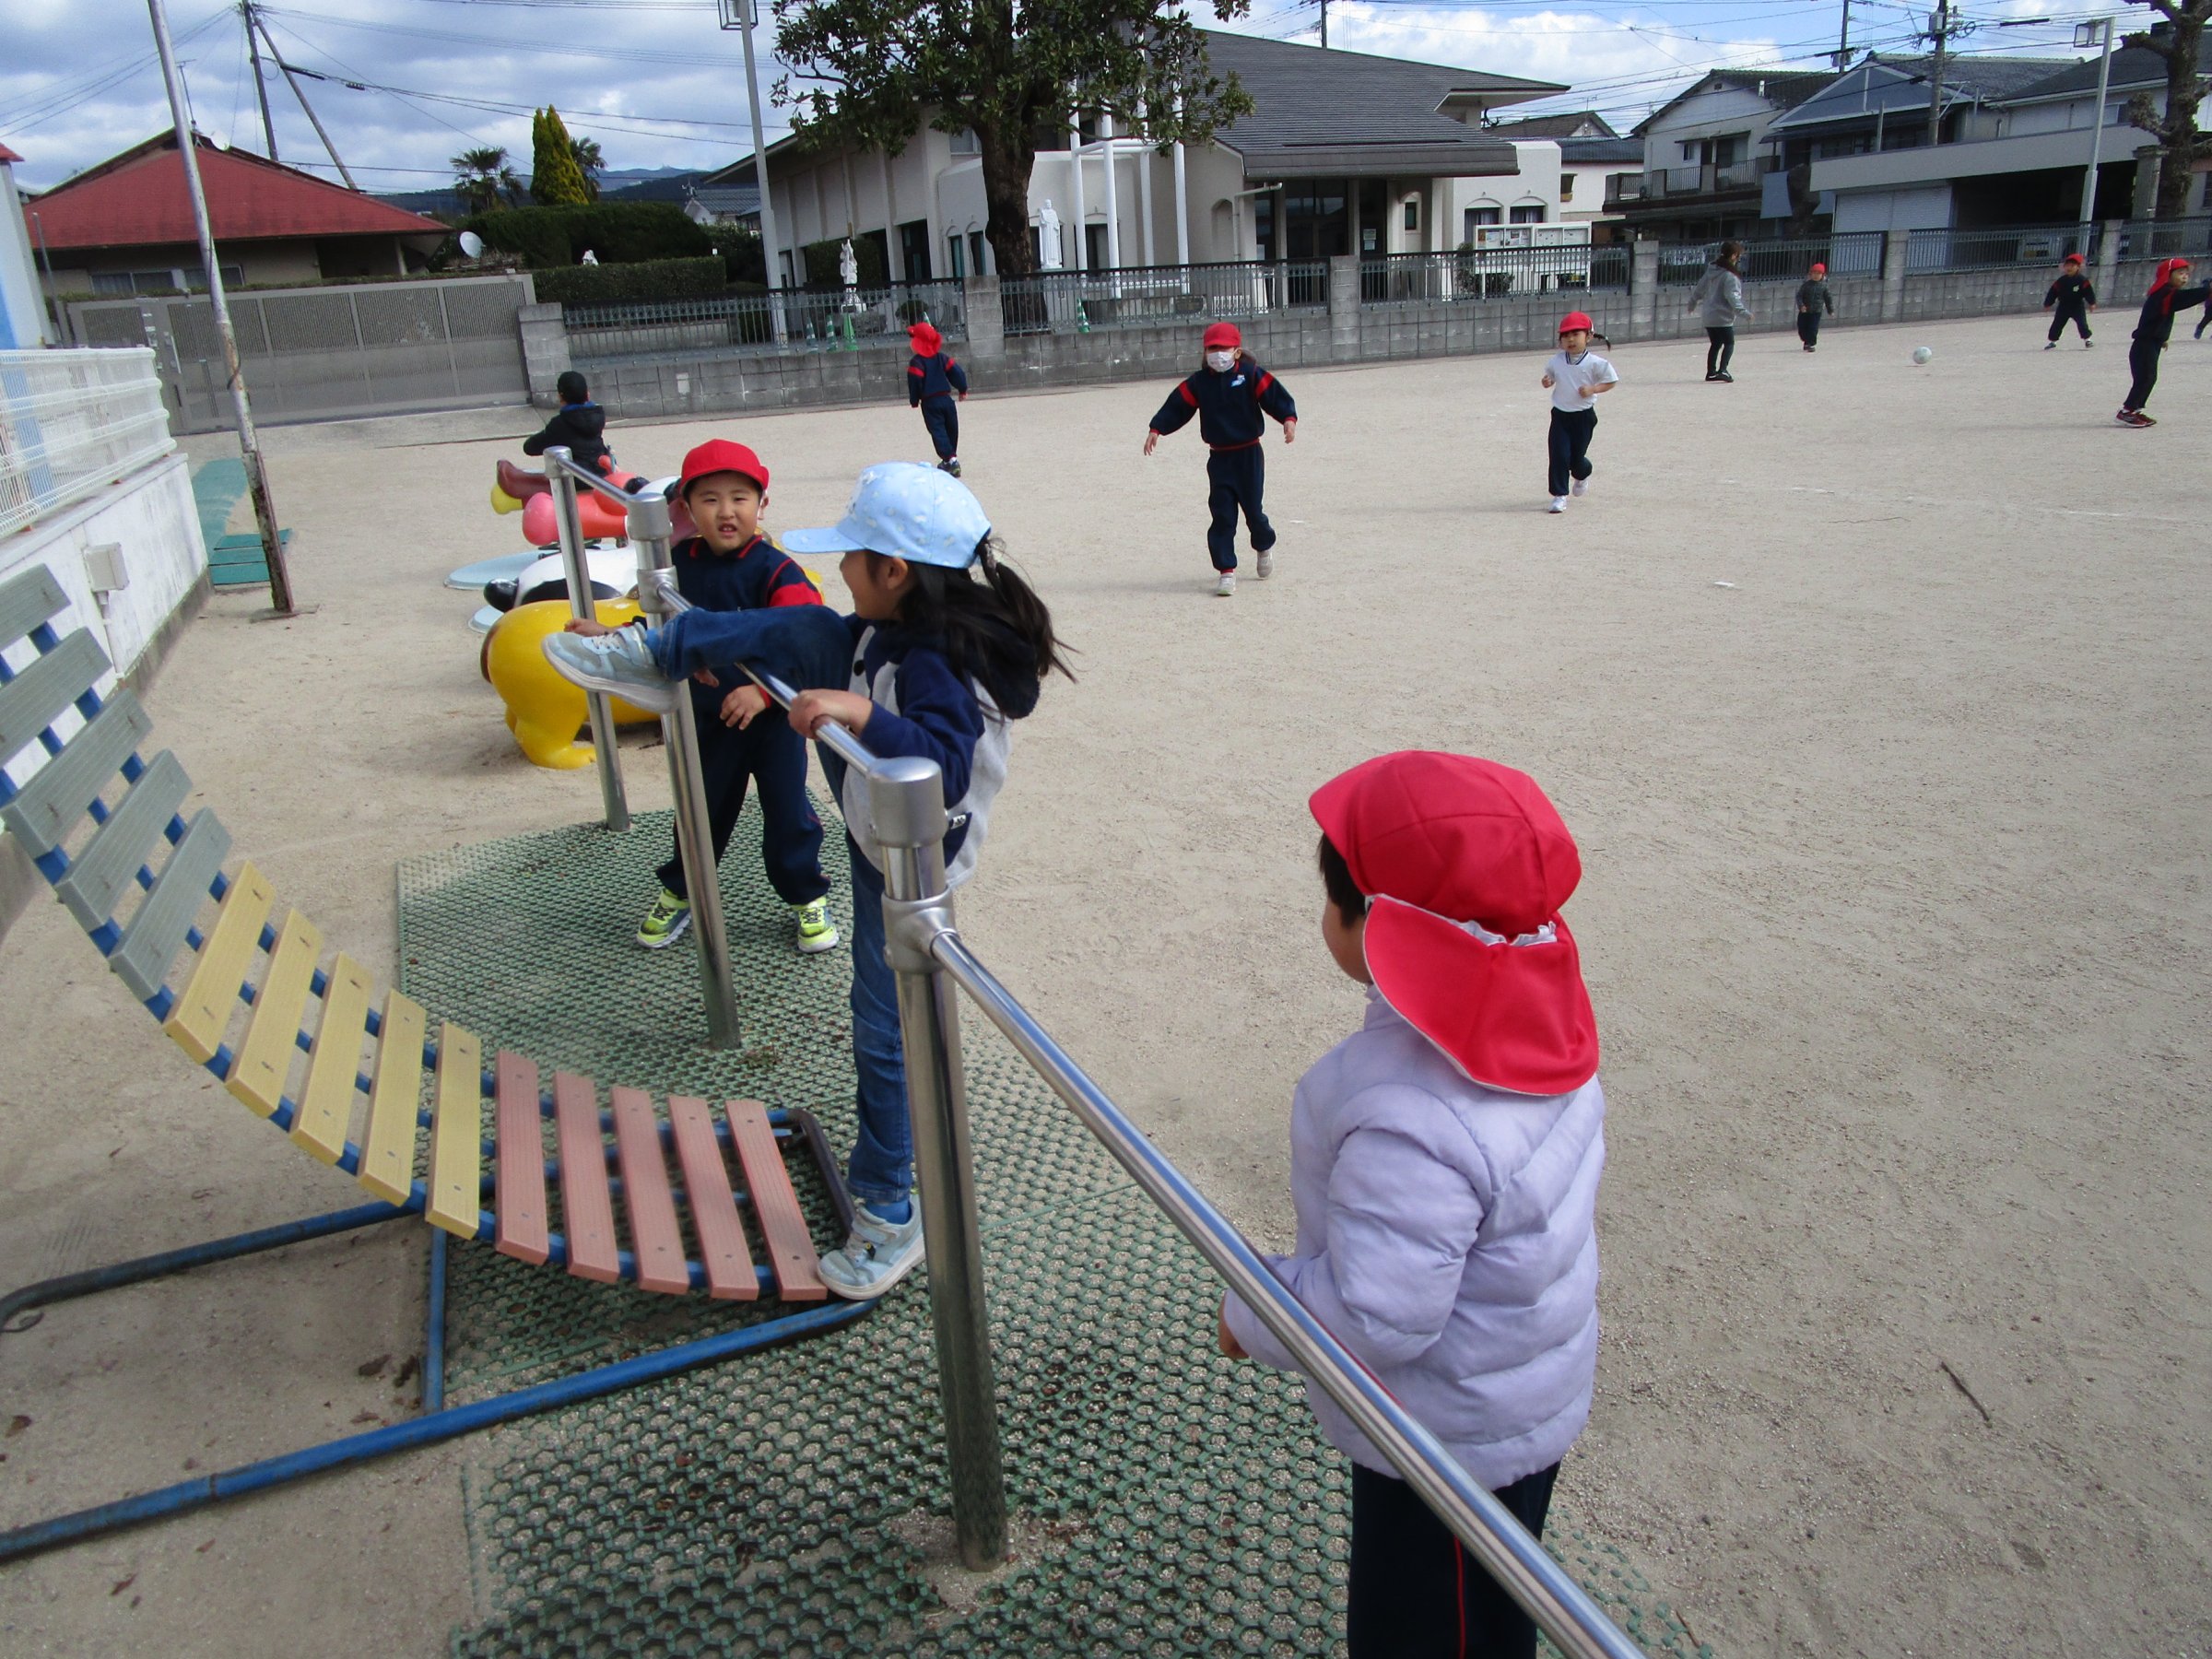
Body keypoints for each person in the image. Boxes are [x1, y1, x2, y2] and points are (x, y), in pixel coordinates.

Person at [540, 463, 1071, 1298]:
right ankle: (654, 651)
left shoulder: (936, 661)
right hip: (873, 818)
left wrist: (863, 713)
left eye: (851, 556)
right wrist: (736, 658)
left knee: (883, 1030)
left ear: (893, 571)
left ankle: (891, 1211)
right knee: (811, 626)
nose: (841, 568)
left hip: (905, 862)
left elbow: (941, 765)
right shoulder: (890, 623)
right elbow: (799, 635)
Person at [1217, 750, 1605, 1659]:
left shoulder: (1408, 1115)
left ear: (1378, 928)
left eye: (1335, 899)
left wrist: (1252, 1312)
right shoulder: (1543, 1023)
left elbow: (1378, 1315)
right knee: (1497, 1605)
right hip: (1514, 1387)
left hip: (1446, 1439)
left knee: (1430, 1632)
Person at [566, 441, 838, 957]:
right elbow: (662, 625)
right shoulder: (679, 567)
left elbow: (806, 639)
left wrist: (764, 693)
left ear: (762, 505)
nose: (726, 511)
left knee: (788, 813)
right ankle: (682, 889)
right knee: (699, 811)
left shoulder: (777, 571)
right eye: (709, 499)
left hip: (773, 725)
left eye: (740, 498)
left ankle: (806, 894)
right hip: (710, 720)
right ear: (688, 510)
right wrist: (615, 633)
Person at [1144, 322, 1299, 597]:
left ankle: (1264, 545)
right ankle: (1226, 571)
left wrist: (1288, 418)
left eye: (1223, 348)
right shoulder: (1200, 382)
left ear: (1236, 351)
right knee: (1222, 515)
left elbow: (1274, 395)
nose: (1217, 354)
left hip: (1249, 455)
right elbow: (1177, 406)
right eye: (1211, 348)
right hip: (1219, 459)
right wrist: (1157, 428)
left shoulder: (1250, 374)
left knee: (1254, 511)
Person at [2117, 256, 2211, 427]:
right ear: (2167, 275)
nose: (2185, 277)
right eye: (2180, 273)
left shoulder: (2167, 293)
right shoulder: (2164, 293)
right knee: (2146, 377)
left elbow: (2160, 319)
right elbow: (2185, 298)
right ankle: (2127, 411)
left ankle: (2135, 410)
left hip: (2152, 342)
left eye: (2186, 274)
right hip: (2144, 343)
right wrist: (2207, 291)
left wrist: (2162, 339)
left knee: (2148, 377)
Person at [1540, 312, 1618, 513]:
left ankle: (1583, 474)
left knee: (1576, 460)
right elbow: (1550, 377)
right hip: (1560, 415)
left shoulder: (1595, 363)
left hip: (1583, 417)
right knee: (1558, 454)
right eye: (1565, 336)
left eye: (1576, 334)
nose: (1570, 339)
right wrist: (1547, 381)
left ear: (1589, 336)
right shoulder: (1557, 361)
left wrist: (1593, 389)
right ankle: (1559, 495)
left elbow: (1611, 381)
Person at [522, 371, 627, 479]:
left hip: (577, 479)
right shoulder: (598, 416)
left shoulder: (559, 424)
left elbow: (530, 447)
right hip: (603, 474)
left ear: (560, 397)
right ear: (587, 394)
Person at [906, 321, 969, 477]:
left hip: (930, 402)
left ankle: (950, 460)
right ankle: (950, 457)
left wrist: (914, 400)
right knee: (951, 429)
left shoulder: (917, 362)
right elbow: (957, 372)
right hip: (947, 400)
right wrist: (962, 389)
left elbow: (915, 383)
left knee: (938, 430)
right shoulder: (942, 358)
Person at [1688, 241, 1751, 382]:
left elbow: (1699, 289)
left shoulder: (1711, 271)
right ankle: (1723, 370)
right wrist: (1744, 313)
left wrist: (1692, 304)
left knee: (1716, 343)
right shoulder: (1730, 276)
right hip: (1722, 316)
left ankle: (1711, 372)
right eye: (1739, 255)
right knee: (1729, 343)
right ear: (1734, 256)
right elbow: (1732, 297)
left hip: (1708, 315)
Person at [2042, 253, 2097, 349]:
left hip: (2077, 306)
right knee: (2057, 324)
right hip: (2063, 306)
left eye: (2072, 266)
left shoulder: (2082, 280)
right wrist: (2048, 303)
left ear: (2078, 267)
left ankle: (2087, 340)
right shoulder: (2061, 281)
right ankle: (2052, 341)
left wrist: (2092, 303)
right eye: (2067, 266)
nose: (2069, 268)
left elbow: (2089, 292)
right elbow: (2053, 292)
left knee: (2082, 323)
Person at [1794, 262, 1834, 353]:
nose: (1816, 276)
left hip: (1816, 311)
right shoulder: (1806, 285)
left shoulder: (1824, 287)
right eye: (1814, 273)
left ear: (1822, 275)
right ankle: (1806, 341)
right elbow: (1799, 296)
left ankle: (1810, 343)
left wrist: (1830, 310)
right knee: (1802, 327)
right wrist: (1801, 305)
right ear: (1810, 274)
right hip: (1804, 311)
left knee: (1813, 328)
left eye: (1818, 274)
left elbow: (1828, 299)